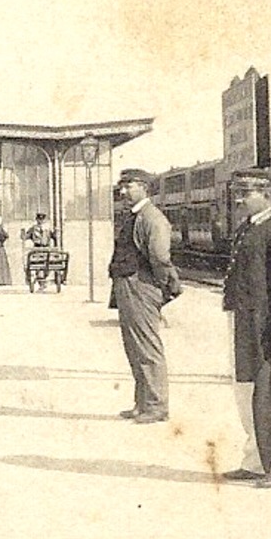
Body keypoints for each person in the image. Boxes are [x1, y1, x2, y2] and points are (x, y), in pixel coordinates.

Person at [220, 171, 271, 489]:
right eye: (238, 192)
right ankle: (255, 462)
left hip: (267, 329)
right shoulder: (247, 229)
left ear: (267, 194)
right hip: (246, 323)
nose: (239, 199)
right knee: (247, 393)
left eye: (246, 192)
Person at [109, 169, 179, 423]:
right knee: (134, 347)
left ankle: (157, 406)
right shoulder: (136, 215)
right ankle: (142, 403)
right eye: (122, 186)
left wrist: (158, 287)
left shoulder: (152, 218)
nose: (123, 191)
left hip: (141, 286)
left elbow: (160, 257)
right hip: (129, 286)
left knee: (147, 347)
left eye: (129, 186)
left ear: (144, 188)